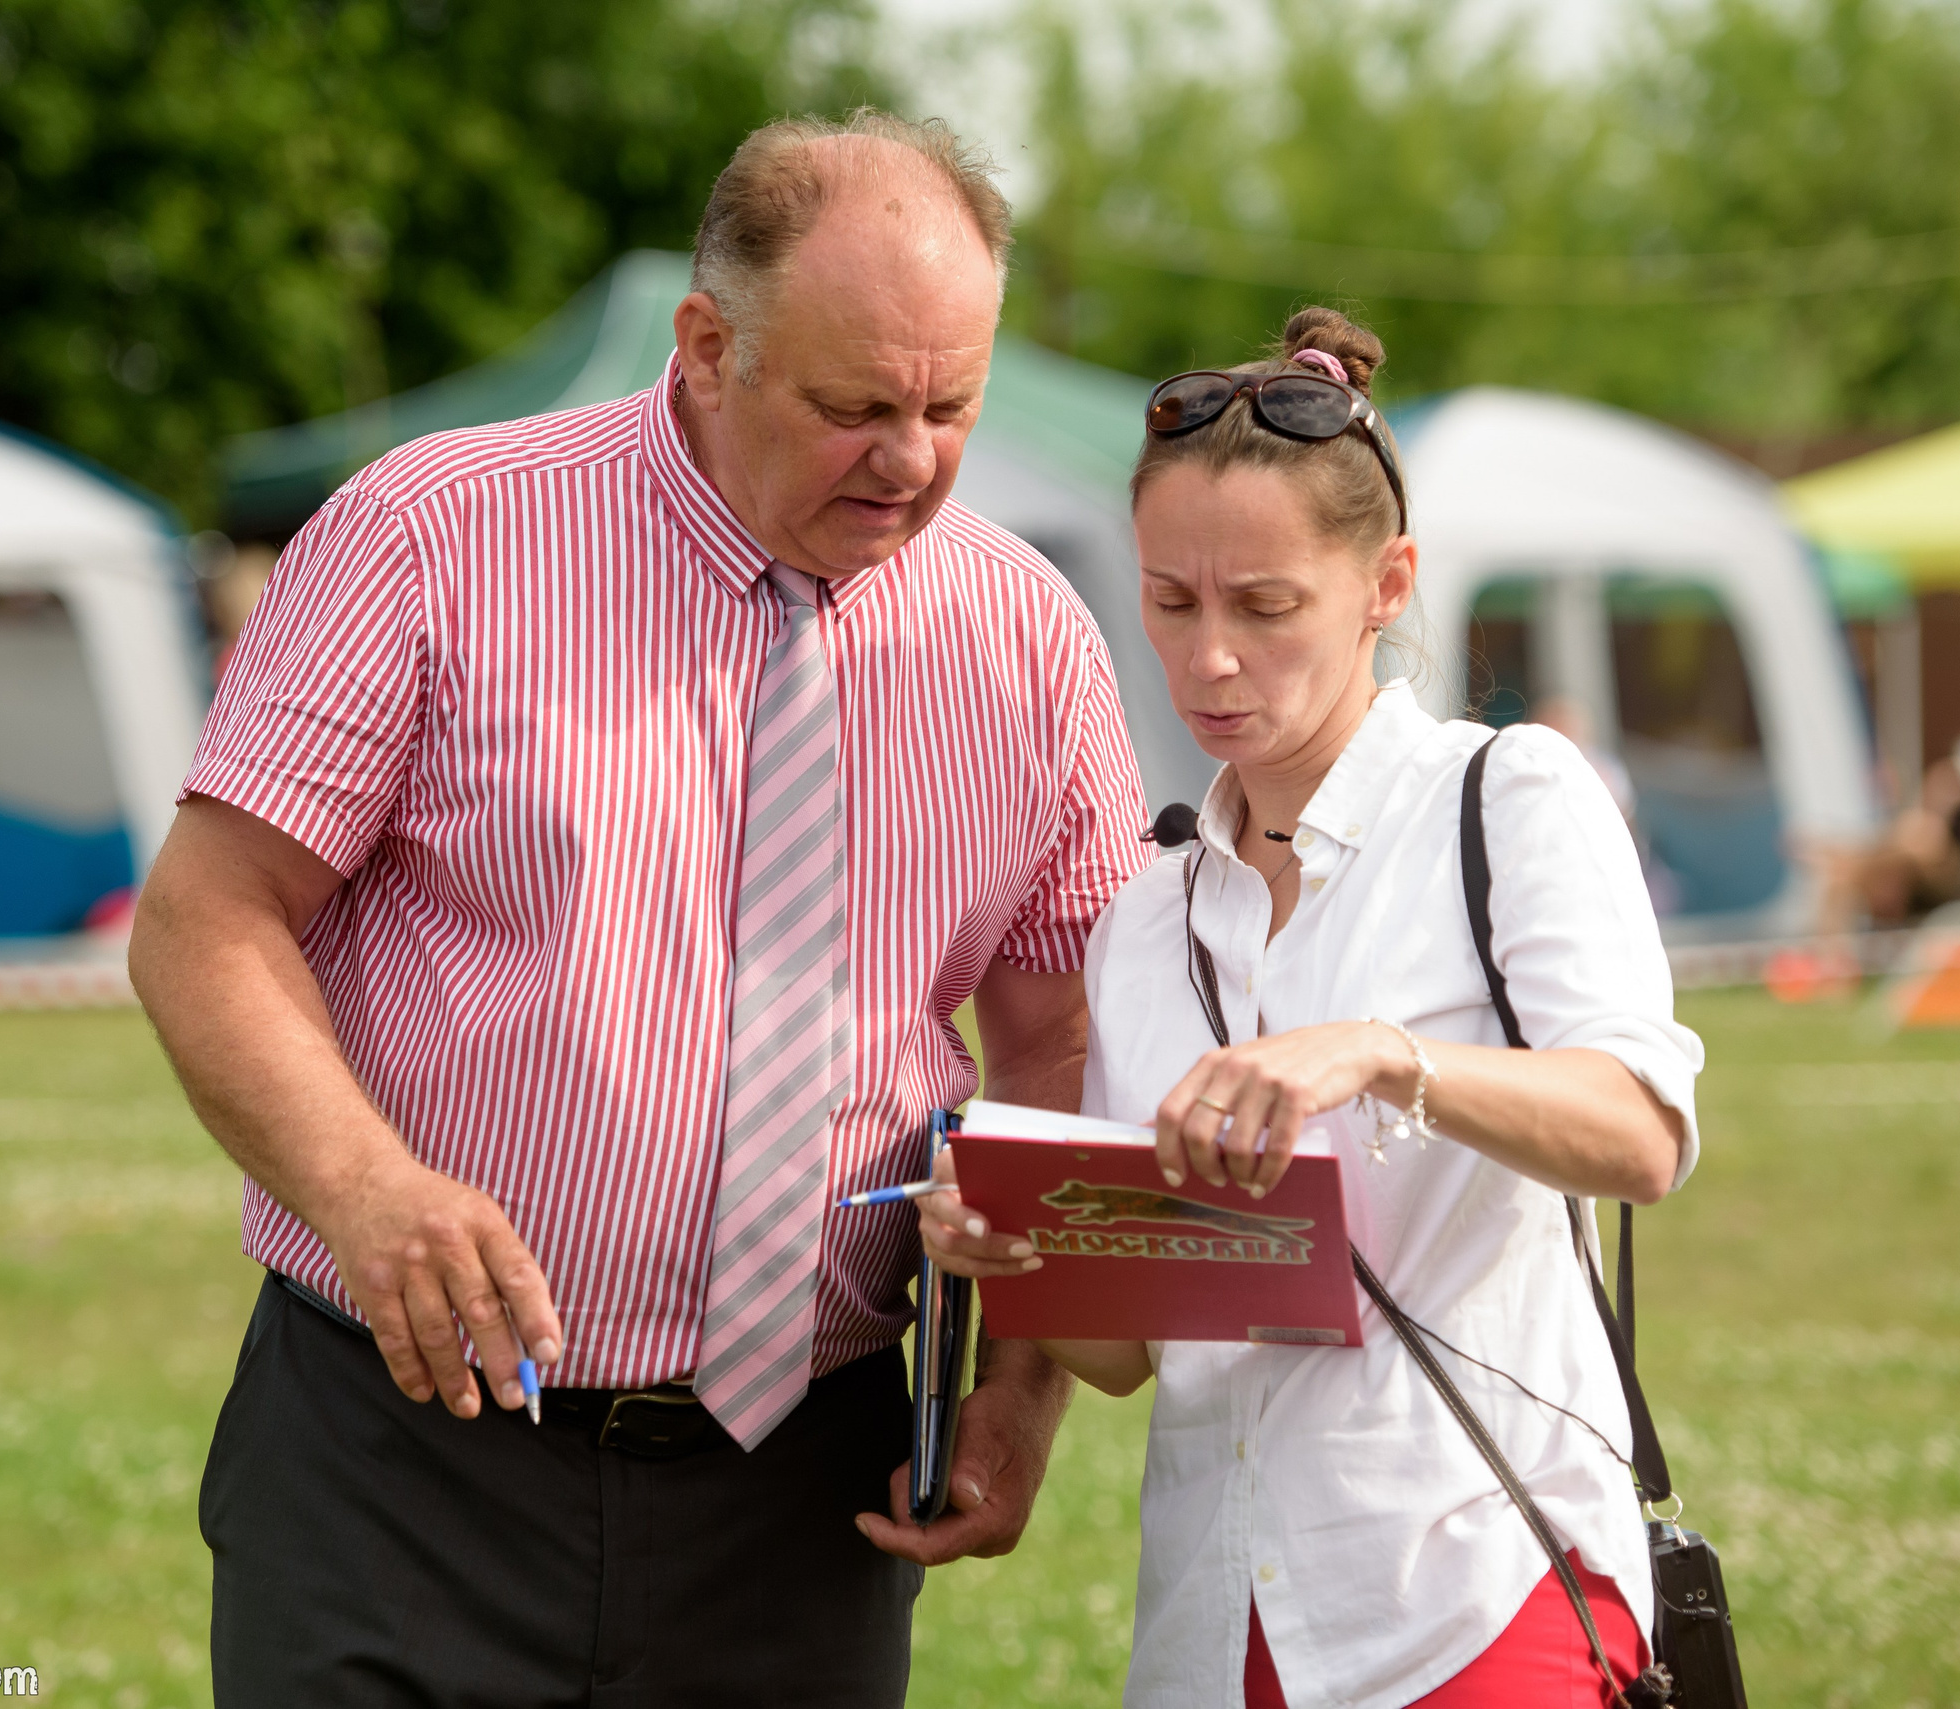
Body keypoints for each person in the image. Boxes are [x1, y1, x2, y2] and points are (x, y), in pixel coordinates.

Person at [128, 109, 1150, 1708]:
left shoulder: (1028, 635)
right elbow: (207, 916)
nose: (910, 458)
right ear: (704, 344)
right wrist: (370, 1193)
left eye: (953, 403)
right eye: (852, 405)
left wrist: (1014, 1391)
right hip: (406, 1460)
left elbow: (1062, 1041)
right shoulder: (431, 534)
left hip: (807, 1488)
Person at [922, 308, 1705, 1707]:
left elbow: (1640, 1131)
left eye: (1265, 606)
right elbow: (1132, 1352)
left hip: (1473, 1597)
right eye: (1172, 601)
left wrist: (1386, 1056)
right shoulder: (1146, 918)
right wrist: (1013, 1247)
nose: (1210, 658)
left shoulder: (1506, 799)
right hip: (1218, 1630)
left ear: (1386, 583)